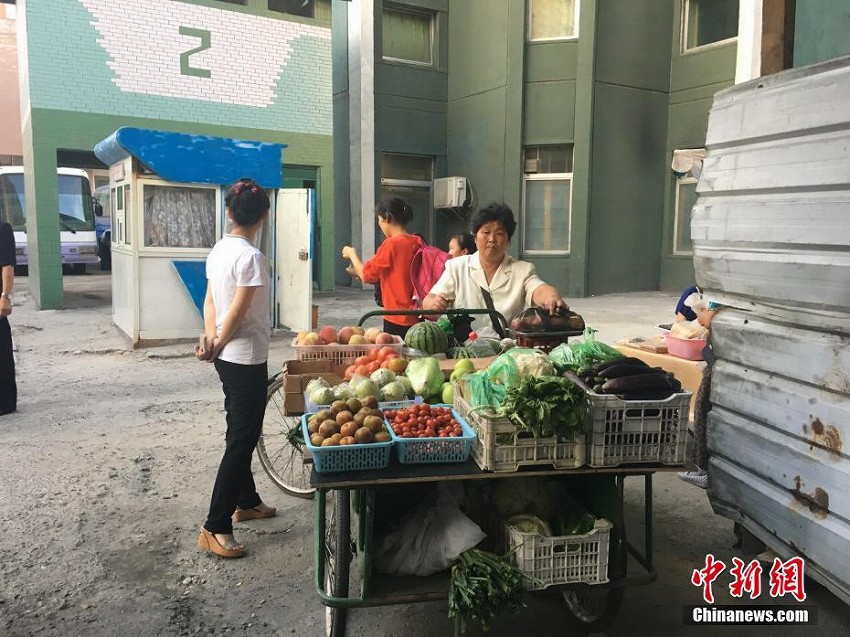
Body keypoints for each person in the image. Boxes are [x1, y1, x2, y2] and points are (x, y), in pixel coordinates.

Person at [195, 178, 276, 559]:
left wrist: (210, 339)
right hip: (244, 357)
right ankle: (215, 525)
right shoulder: (251, 257)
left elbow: (211, 301)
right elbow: (240, 311)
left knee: (239, 429)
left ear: (229, 212)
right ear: (263, 215)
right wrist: (219, 343)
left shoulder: (220, 250)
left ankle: (247, 501)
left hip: (226, 357)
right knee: (242, 438)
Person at [422, 202, 568, 325]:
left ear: (508, 239)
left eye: (499, 234)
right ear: (474, 237)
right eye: (485, 232)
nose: (492, 239)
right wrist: (434, 305)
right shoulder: (456, 267)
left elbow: (539, 289)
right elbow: (429, 301)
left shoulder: (522, 270)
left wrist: (551, 298)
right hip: (463, 350)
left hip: (504, 351)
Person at [342, 197, 425, 338]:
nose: (380, 224)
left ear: (387, 218)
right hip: (418, 315)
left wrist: (352, 254)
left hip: (396, 317)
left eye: (379, 220)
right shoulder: (418, 241)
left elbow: (366, 275)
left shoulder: (391, 244)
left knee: (396, 357)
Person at [679, 303, 719, 489]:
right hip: (716, 352)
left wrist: (710, 315)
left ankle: (703, 469)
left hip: (721, 356)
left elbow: (711, 318)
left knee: (703, 406)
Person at [0, 221, 15, 415]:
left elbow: (7, 266)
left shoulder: (3, 229)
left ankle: (5, 402)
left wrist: (5, 296)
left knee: (1, 352)